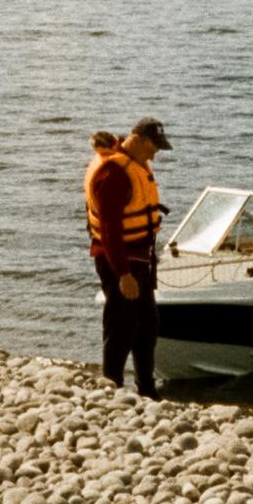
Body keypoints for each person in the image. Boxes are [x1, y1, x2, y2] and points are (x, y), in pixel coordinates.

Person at [84, 116, 170, 397]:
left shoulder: (134, 162)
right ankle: (112, 385)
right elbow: (108, 229)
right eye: (154, 147)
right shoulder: (114, 174)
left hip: (140, 257)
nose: (155, 153)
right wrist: (123, 274)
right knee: (121, 323)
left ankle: (146, 388)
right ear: (140, 140)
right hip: (119, 260)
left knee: (147, 323)